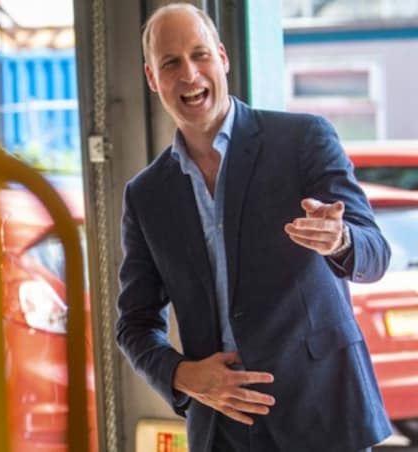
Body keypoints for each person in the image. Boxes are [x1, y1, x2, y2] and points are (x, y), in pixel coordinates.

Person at [115, 3, 392, 452]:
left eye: (199, 55)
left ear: (222, 58)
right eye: (170, 63)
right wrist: (184, 376)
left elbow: (375, 253)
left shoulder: (303, 140)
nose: (189, 74)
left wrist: (340, 240)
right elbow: (134, 323)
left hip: (322, 416)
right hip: (222, 427)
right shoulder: (146, 195)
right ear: (152, 79)